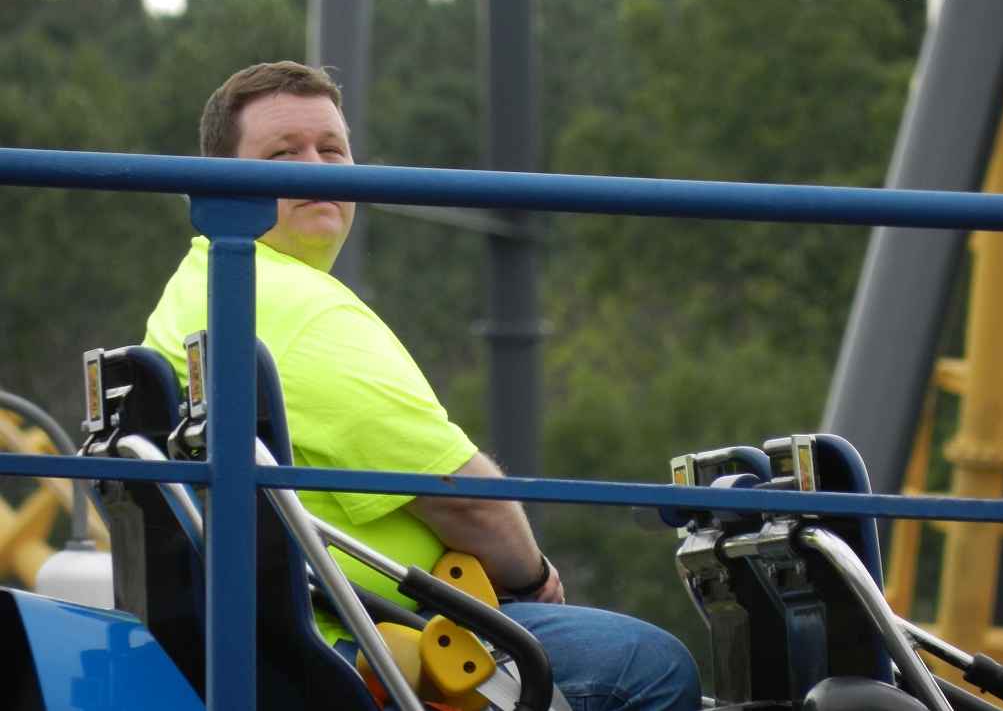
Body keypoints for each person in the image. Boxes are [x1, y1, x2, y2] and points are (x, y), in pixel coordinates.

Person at [144, 61, 701, 711]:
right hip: (372, 639)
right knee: (653, 666)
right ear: (225, 182)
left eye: (333, 150)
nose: (316, 170)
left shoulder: (189, 293)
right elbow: (467, 501)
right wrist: (535, 577)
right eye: (283, 154)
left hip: (281, 635)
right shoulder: (296, 309)